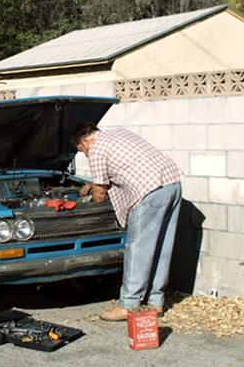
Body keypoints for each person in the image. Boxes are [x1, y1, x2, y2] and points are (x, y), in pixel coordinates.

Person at [70, 122, 181, 321]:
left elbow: (100, 194)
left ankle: (129, 304)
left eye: (81, 150)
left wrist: (87, 201)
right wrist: (91, 184)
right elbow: (125, 166)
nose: (85, 154)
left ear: (85, 141)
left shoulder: (96, 150)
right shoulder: (119, 133)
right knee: (162, 247)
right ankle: (156, 302)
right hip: (172, 183)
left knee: (138, 249)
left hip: (148, 191)